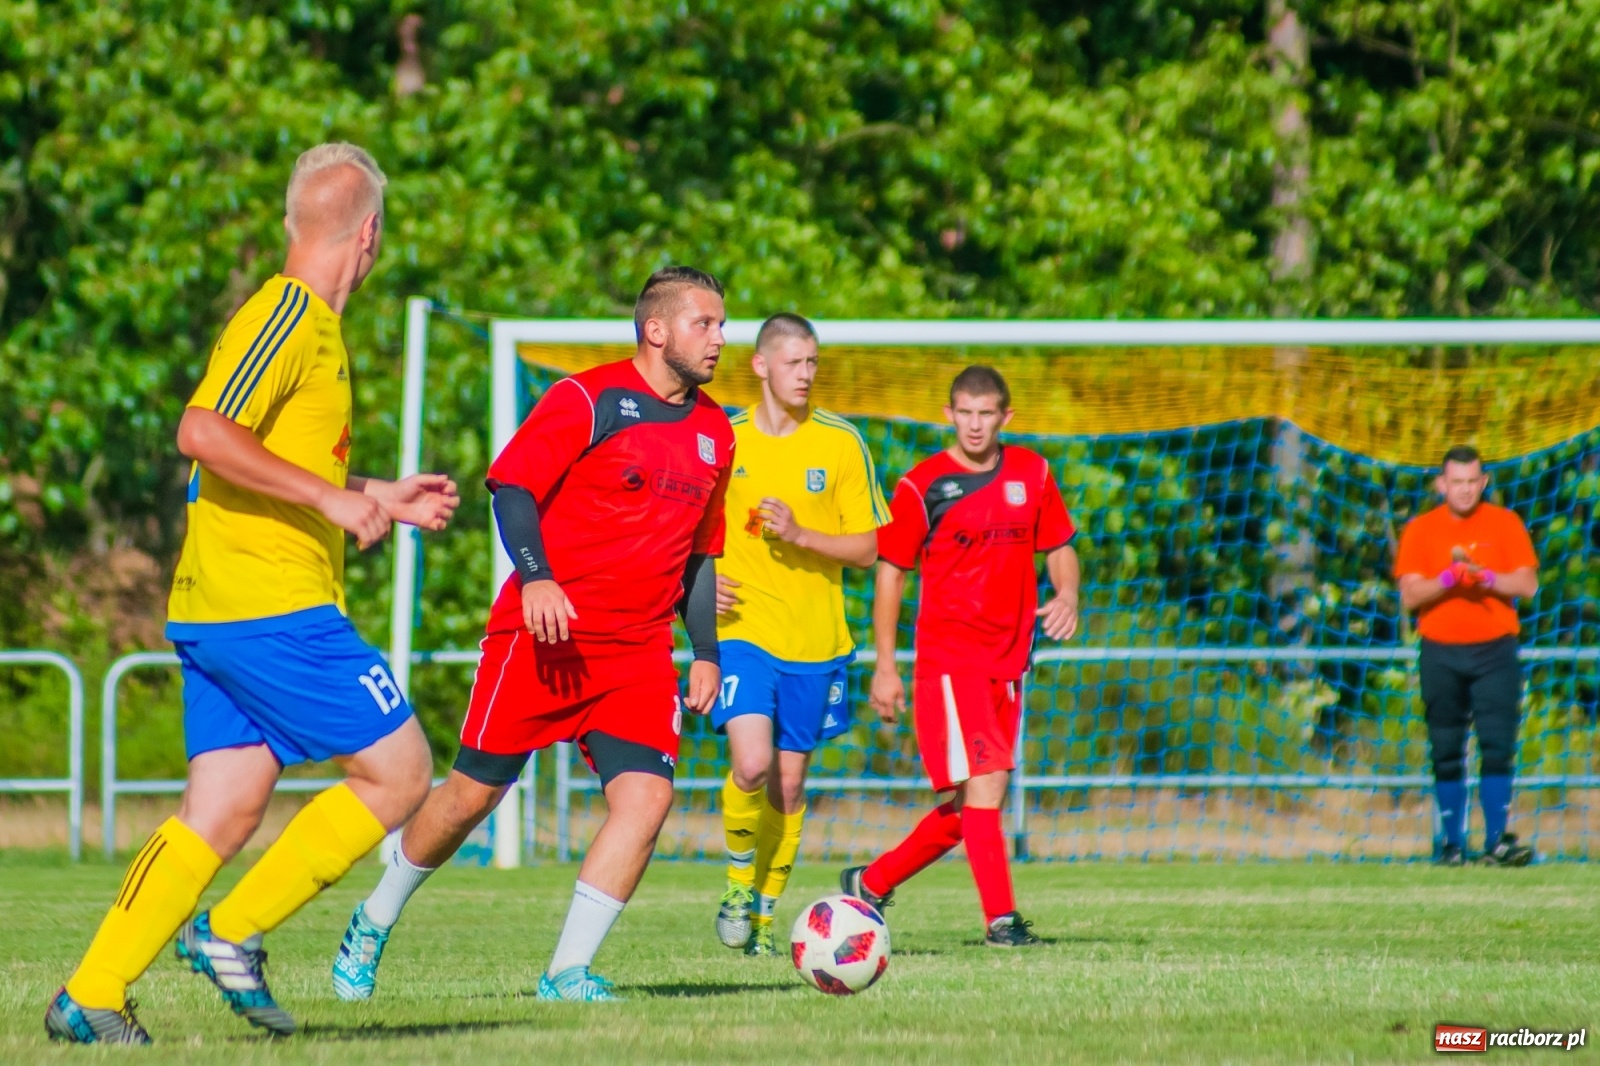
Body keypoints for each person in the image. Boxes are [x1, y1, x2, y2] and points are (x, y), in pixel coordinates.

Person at [45, 143, 460, 1045]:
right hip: (267, 604)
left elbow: (273, 459)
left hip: (227, 605)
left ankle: (92, 993)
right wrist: (331, 500)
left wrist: (376, 495)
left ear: (292, 221)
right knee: (402, 770)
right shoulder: (289, 311)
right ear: (371, 235)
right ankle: (230, 930)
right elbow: (203, 429)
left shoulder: (311, 326)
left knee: (224, 810)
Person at [331, 266, 734, 1003]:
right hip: (542, 638)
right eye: (704, 324)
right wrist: (537, 575)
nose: (718, 339)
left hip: (640, 652)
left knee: (646, 800)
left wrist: (705, 651)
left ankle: (566, 973)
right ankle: (372, 919)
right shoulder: (589, 398)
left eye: (721, 326)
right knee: (468, 800)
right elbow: (512, 486)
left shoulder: (714, 432)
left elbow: (704, 551)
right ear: (656, 329)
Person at [838, 366, 1078, 947]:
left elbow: (1060, 545)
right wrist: (888, 666)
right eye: (964, 413)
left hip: (1011, 659)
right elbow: (890, 574)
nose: (974, 425)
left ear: (1005, 417)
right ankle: (1001, 921)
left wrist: (1067, 592)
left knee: (967, 807)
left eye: (986, 414)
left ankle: (870, 882)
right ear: (949, 414)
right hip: (952, 661)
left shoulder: (1033, 473)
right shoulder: (923, 485)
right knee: (988, 788)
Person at [709, 313, 887, 956]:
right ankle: (734, 886)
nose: (806, 375)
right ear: (760, 366)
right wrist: (691, 590)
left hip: (815, 641)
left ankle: (763, 911)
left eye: (813, 363)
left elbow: (869, 548)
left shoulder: (839, 442)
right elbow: (682, 527)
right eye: (794, 363)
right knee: (751, 765)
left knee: (788, 785)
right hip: (741, 630)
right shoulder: (723, 440)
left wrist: (802, 535)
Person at [1394, 445, 1539, 866]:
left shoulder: (1506, 524)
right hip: (1440, 651)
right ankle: (1452, 845)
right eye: (1456, 482)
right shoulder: (1421, 530)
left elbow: (1527, 584)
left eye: (1472, 481)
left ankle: (1497, 841)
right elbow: (1410, 594)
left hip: (1495, 650)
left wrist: (1485, 577)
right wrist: (1448, 579)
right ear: (1442, 484)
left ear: (1483, 482)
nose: (1464, 490)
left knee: (1497, 745)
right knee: (1446, 747)